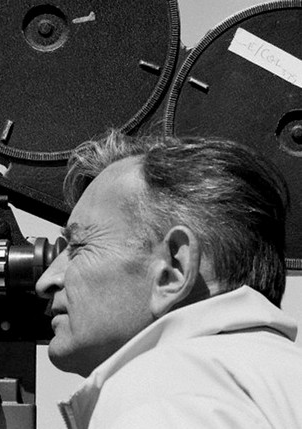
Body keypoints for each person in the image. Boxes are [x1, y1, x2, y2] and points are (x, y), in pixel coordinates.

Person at [36, 129, 302, 429]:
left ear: (173, 268)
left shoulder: (162, 391)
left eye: (78, 246)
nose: (46, 281)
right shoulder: (283, 381)